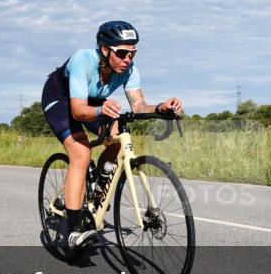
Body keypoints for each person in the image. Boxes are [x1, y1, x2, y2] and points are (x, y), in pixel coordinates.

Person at [41, 21, 182, 251]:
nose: (128, 59)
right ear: (105, 50)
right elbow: (78, 111)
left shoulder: (129, 70)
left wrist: (160, 108)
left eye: (133, 53)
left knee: (118, 136)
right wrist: (99, 111)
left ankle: (97, 186)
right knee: (81, 153)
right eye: (123, 53)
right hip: (62, 98)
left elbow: (138, 106)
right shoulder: (82, 60)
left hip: (92, 100)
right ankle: (74, 230)